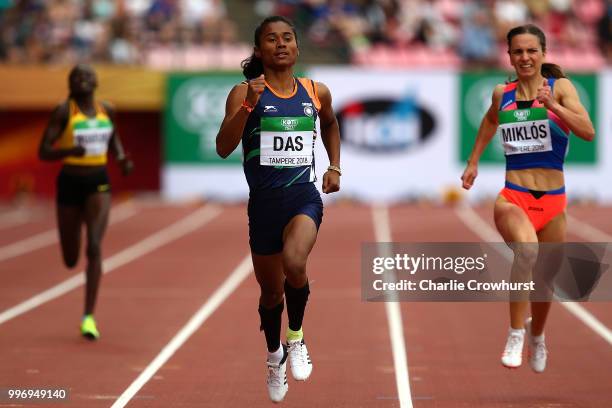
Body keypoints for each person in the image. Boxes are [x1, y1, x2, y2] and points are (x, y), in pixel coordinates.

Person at [216, 16, 341, 402]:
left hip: (304, 196)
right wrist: (248, 107)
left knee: (296, 263)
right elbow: (223, 146)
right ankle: (274, 356)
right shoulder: (243, 93)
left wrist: (334, 165)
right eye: (271, 39)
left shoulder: (316, 91)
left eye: (287, 38)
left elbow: (331, 125)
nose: (280, 44)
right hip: (264, 206)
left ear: (297, 47)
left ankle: (297, 337)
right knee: (271, 294)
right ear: (259, 50)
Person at [461, 24, 595, 373]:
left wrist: (555, 107)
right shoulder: (500, 94)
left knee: (546, 281)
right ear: (509, 55)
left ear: (543, 54)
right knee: (527, 251)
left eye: (531, 51)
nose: (525, 57)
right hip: (513, 197)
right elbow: (490, 122)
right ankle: (516, 332)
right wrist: (473, 160)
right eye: (518, 51)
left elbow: (588, 132)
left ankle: (538, 335)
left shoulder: (560, 88)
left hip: (553, 202)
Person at [39, 64, 133, 341]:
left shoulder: (107, 109)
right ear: (70, 83)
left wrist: (120, 158)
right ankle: (73, 247)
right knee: (70, 258)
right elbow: (43, 151)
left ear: (96, 81)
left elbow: (113, 136)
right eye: (76, 76)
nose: (82, 79)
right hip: (69, 182)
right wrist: (69, 150)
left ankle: (88, 317)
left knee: (94, 245)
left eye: (87, 75)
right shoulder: (63, 111)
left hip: (98, 182)